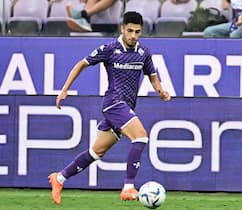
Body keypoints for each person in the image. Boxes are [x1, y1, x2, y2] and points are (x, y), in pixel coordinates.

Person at [48, 11, 171, 205]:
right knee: (140, 136)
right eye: (129, 30)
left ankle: (60, 178)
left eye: (137, 32)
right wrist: (64, 90)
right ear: (122, 28)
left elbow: (152, 76)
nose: (133, 36)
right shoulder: (110, 49)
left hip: (126, 106)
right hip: (113, 103)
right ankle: (128, 187)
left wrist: (161, 91)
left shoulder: (144, 53)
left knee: (96, 152)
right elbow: (82, 64)